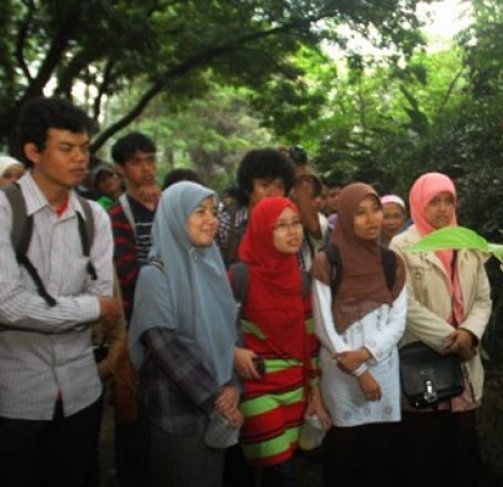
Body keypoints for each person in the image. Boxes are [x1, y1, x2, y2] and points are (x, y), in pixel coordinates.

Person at [0, 96, 119, 486]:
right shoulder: (4, 211)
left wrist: (61, 309)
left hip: (81, 393)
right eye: (66, 148)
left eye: (84, 148)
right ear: (33, 151)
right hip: (15, 397)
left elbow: (103, 294)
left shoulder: (93, 216)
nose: (80, 159)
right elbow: (8, 305)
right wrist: (88, 308)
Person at [128, 181, 241, 487]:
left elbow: (230, 328)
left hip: (219, 405)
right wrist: (217, 397)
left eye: (214, 211)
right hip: (177, 411)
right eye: (199, 211)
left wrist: (233, 385)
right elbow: (166, 347)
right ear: (176, 217)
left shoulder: (212, 265)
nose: (211, 220)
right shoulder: (155, 274)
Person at [389, 172, 492, 487]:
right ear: (419, 203)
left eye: (449, 200)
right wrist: (451, 337)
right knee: (425, 451)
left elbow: (483, 298)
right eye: (435, 201)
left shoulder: (468, 242)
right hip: (425, 361)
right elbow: (403, 303)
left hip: (463, 361)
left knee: (461, 449)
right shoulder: (402, 245)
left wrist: (470, 333)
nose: (443, 208)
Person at [311, 183, 407, 487]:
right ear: (346, 217)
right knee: (343, 455)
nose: (371, 219)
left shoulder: (392, 263)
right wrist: (361, 371)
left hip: (383, 370)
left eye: (375, 209)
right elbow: (325, 327)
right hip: (342, 375)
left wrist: (366, 355)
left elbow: (398, 320)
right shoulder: (328, 262)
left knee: (379, 458)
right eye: (360, 213)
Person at [233, 196, 329, 485]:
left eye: (297, 223)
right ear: (263, 230)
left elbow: (311, 340)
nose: (293, 232)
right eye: (282, 226)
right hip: (257, 386)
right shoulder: (239, 277)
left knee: (283, 467)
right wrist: (232, 350)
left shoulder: (301, 280)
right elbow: (215, 327)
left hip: (295, 386)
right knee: (280, 467)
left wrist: (315, 392)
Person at [108, 131, 160, 487]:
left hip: (171, 325)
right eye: (137, 162)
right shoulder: (116, 215)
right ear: (122, 169)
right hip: (135, 329)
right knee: (133, 415)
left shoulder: (170, 206)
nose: (146, 169)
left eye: (150, 160)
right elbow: (127, 274)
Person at [217, 148, 296, 266]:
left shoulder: (292, 225)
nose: (273, 193)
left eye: (279, 186)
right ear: (248, 188)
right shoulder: (226, 223)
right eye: (265, 185)